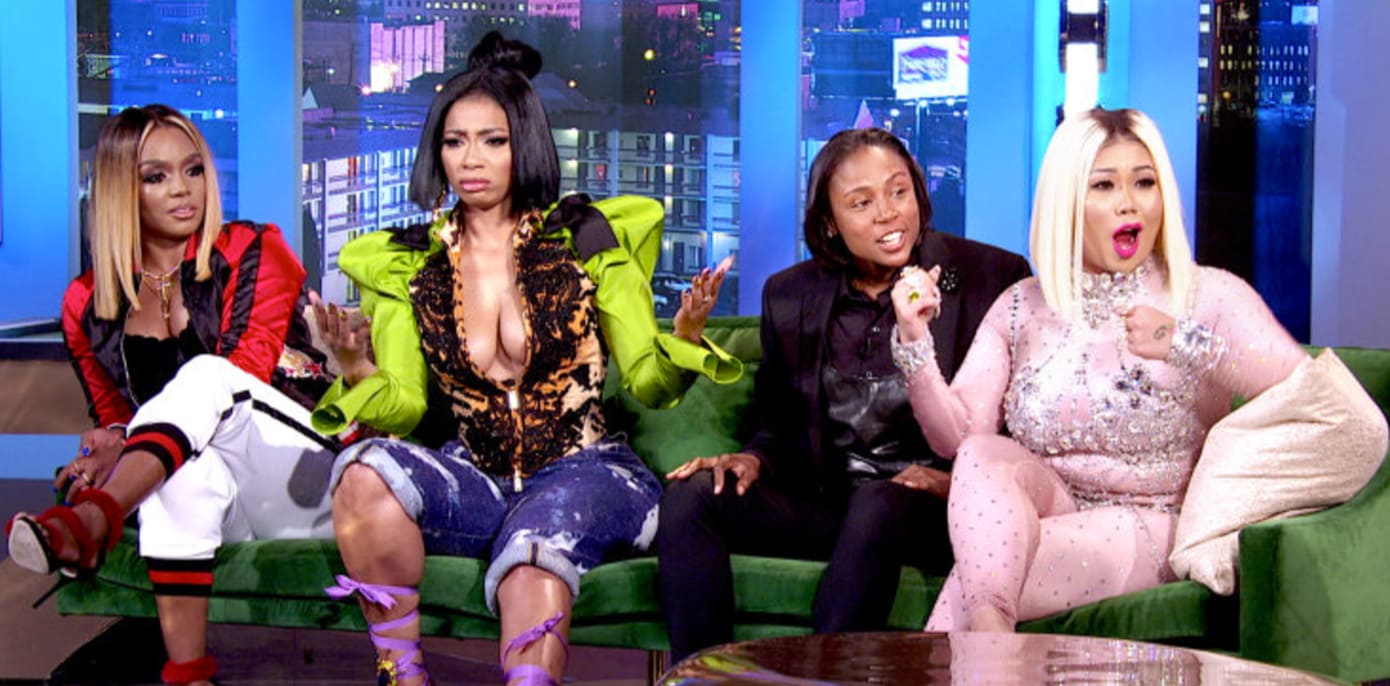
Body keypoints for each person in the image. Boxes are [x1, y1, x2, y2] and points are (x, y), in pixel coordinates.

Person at [309, 32, 741, 686]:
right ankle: (401, 674)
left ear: (525, 145)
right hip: (476, 479)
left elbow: (651, 384)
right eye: (454, 142)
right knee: (363, 470)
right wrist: (354, 365)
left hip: (588, 473)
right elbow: (404, 408)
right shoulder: (408, 265)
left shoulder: (588, 240)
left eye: (493, 140)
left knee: (534, 552)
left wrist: (684, 334)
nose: (470, 160)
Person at [893, 107, 1310, 632]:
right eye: (1105, 186)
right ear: (1066, 202)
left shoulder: (1210, 296)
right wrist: (914, 342)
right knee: (982, 457)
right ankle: (992, 650)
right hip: (1048, 506)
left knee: (983, 579)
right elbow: (958, 438)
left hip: (1153, 518)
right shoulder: (1021, 305)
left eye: (1144, 183)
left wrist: (1182, 342)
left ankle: (984, 642)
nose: (1129, 203)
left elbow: (1306, 393)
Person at [657, 127, 1031, 661]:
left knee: (878, 502)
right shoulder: (790, 294)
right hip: (828, 503)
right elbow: (777, 424)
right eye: (862, 203)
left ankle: (823, 677)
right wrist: (752, 459)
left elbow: (1020, 427)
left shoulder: (990, 278)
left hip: (933, 508)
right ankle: (705, 675)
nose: (888, 214)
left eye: (898, 192)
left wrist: (957, 482)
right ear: (830, 221)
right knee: (692, 496)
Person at [5, 104, 338, 685]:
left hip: (310, 477)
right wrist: (107, 447)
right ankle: (189, 676)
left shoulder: (255, 248)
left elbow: (245, 375)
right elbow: (115, 418)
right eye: (156, 177)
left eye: (194, 170)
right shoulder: (86, 303)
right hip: (221, 501)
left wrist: (124, 448)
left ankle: (94, 521)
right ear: (120, 192)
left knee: (209, 377)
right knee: (179, 473)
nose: (183, 190)